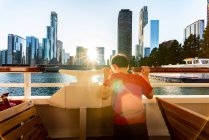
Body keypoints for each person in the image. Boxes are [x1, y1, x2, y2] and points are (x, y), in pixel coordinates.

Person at [102, 54, 154, 140]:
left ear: (114, 66)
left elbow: (104, 95)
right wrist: (145, 76)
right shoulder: (138, 78)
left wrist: (106, 75)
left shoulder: (114, 77)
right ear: (128, 66)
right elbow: (150, 96)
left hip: (121, 123)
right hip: (140, 123)